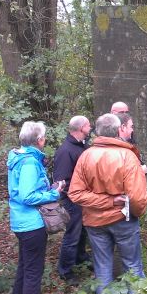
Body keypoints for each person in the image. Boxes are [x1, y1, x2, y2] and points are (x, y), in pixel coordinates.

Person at [68, 113, 147, 294]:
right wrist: (121, 206)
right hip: (123, 219)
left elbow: (75, 193)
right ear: (119, 130)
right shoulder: (127, 156)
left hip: (95, 222)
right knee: (132, 265)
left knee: (102, 267)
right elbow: (137, 198)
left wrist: (103, 203)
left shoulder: (86, 155)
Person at [7, 121, 63, 294]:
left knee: (24, 267)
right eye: (44, 137)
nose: (45, 140)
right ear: (39, 140)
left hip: (20, 222)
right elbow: (28, 195)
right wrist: (54, 193)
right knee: (33, 271)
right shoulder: (30, 162)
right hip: (32, 224)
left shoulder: (17, 157)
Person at [54, 115, 92, 281]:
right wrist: (75, 197)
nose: (90, 128)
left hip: (82, 198)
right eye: (88, 125)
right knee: (72, 235)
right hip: (72, 200)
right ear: (81, 128)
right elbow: (61, 180)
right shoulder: (66, 150)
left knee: (82, 231)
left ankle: (80, 256)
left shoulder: (82, 147)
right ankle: (65, 270)